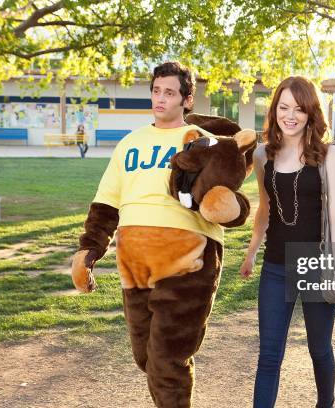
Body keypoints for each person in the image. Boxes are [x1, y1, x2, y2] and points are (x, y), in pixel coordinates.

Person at [77, 61, 249, 407]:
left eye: (169, 92)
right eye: (156, 91)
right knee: (146, 357)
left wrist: (233, 208)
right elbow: (106, 203)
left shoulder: (208, 143)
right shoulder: (129, 143)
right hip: (135, 265)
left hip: (188, 260)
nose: (160, 98)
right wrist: (90, 250)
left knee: (167, 360)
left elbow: (229, 202)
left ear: (187, 99)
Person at [239, 76, 335, 408]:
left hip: (316, 264)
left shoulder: (329, 156)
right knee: (269, 356)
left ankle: (325, 404)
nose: (290, 116)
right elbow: (265, 207)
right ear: (274, 111)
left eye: (299, 109)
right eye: (283, 107)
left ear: (311, 113)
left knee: (319, 348)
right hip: (275, 267)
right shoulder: (261, 156)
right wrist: (252, 251)